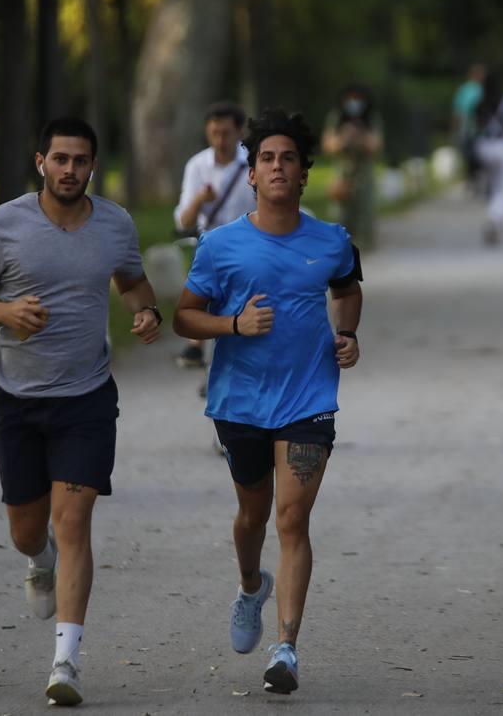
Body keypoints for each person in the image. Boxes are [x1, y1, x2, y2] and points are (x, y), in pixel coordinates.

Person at [0, 116, 163, 706]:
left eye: (82, 160)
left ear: (93, 165)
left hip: (86, 398)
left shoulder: (115, 224)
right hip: (17, 400)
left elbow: (134, 284)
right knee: (28, 530)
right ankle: (36, 560)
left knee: (74, 522)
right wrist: (4, 312)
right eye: (61, 159)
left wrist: (146, 313)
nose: (71, 170)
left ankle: (65, 662)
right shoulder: (3, 225)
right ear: (40, 160)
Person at [173, 108, 364, 695]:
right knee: (253, 516)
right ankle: (250, 586)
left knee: (291, 518)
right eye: (267, 159)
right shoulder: (220, 245)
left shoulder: (332, 241)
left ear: (305, 172)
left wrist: (348, 334)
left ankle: (286, 648)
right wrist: (234, 325)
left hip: (308, 398)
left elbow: (348, 289)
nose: (278, 167)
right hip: (241, 403)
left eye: (288, 159)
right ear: (251, 174)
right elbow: (183, 317)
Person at [173, 101, 256, 370]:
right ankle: (198, 347)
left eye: (226, 133)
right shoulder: (197, 166)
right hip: (210, 244)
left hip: (249, 243)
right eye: (214, 133)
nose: (220, 140)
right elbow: (183, 220)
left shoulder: (253, 162)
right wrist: (200, 198)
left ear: (239, 132)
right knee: (201, 297)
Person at [321, 84, 383, 250]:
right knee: (340, 218)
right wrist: (344, 137)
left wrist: (361, 136)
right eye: (351, 98)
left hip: (364, 178)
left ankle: (364, 251)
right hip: (342, 176)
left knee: (365, 219)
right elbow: (328, 146)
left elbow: (376, 146)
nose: (354, 103)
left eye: (358, 99)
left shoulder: (371, 118)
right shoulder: (337, 117)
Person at [472, 74, 503, 246]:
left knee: (491, 186)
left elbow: (475, 125)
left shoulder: (480, 103)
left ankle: (498, 219)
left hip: (484, 147)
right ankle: (495, 217)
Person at [451, 64, 486, 195]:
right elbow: (458, 111)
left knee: (475, 155)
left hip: (478, 129)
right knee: (469, 154)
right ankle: (472, 178)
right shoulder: (466, 90)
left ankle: (475, 178)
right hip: (468, 127)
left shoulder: (481, 89)